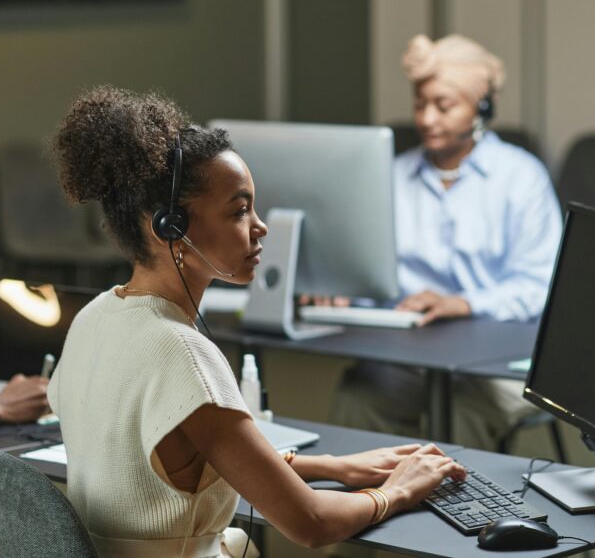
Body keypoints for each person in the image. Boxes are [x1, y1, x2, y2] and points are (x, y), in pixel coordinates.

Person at [47, 86, 464, 557]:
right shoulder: (181, 352)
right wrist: (400, 489)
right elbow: (311, 523)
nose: (261, 227)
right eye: (240, 210)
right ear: (171, 228)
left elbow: (173, 465)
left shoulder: (95, 316)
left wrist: (335, 466)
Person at [331, 34, 563, 448]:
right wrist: (343, 290)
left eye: (444, 105)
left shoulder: (521, 178)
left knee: (461, 412)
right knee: (359, 397)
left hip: (498, 359)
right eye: (420, 104)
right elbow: (371, 274)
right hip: (409, 354)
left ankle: (467, 496)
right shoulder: (392, 176)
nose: (427, 119)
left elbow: (541, 287)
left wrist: (465, 304)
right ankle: (366, 494)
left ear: (483, 107)